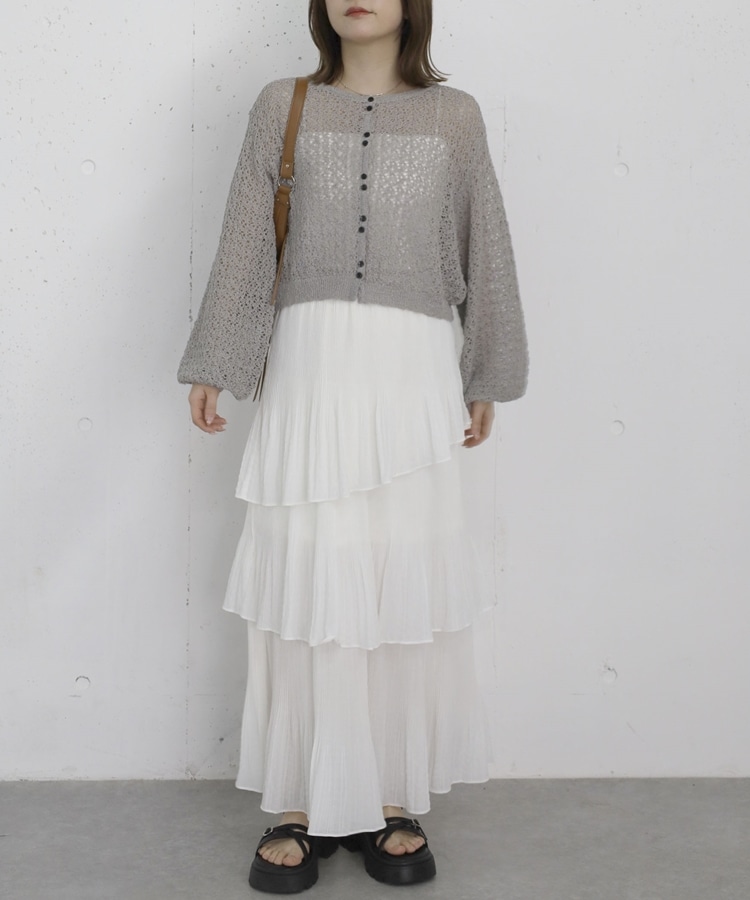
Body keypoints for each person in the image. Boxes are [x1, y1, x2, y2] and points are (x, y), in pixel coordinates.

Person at [178, 0, 528, 893]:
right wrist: (217, 356)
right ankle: (298, 799)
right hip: (312, 365)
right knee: (310, 571)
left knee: (398, 571)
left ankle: (393, 793)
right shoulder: (282, 104)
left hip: (413, 369)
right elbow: (247, 235)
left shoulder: (455, 116)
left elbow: (485, 239)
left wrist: (488, 371)